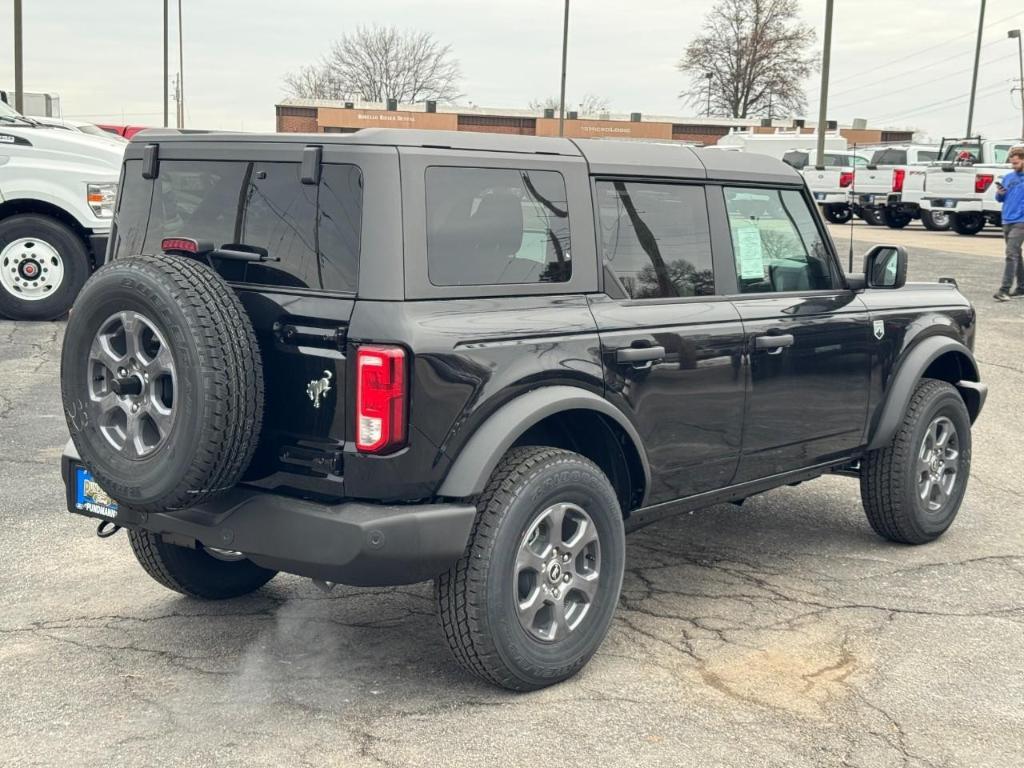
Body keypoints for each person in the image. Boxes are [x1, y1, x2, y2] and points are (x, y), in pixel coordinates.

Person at [994, 146, 1024, 301]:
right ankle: (1021, 287)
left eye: (1016, 163)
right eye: (1012, 163)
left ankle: (1004, 290)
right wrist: (999, 193)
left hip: (1021, 221)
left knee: (1011, 254)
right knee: (1016, 254)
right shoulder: (1008, 177)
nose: (1013, 166)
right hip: (1007, 219)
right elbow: (999, 199)